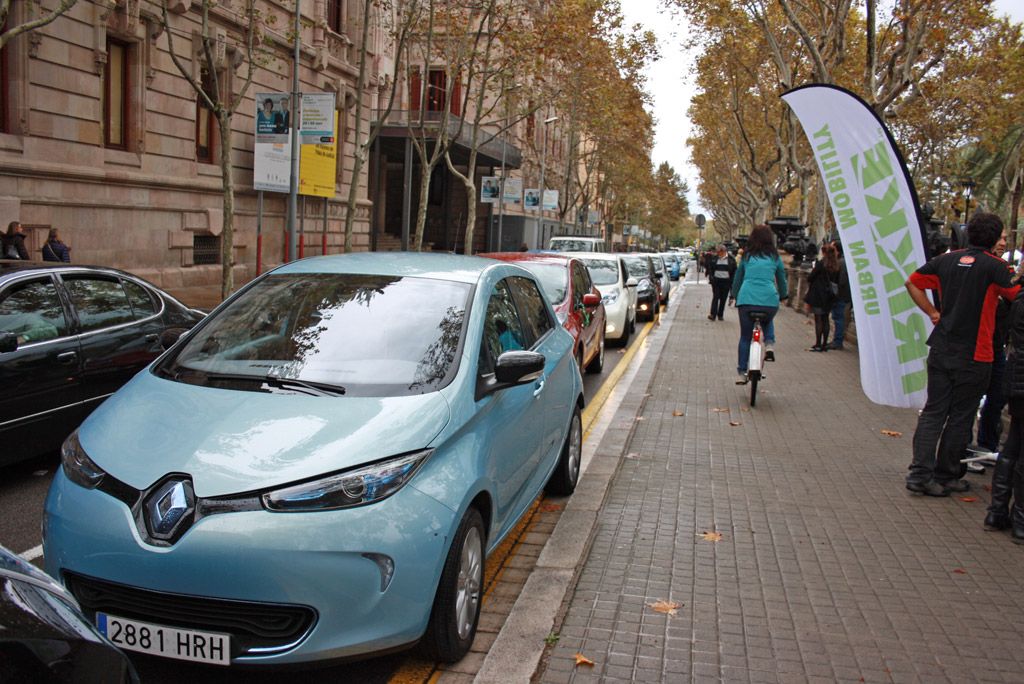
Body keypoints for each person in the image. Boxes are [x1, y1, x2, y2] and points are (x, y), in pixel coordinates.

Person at [904, 213, 1019, 497]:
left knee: (933, 412)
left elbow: (912, 282)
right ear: (993, 239)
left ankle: (919, 474)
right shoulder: (996, 267)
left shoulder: (946, 260)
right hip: (976, 353)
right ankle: (947, 474)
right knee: (961, 415)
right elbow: (1017, 295)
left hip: (942, 347)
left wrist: (933, 313)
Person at [730, 224, 788, 384]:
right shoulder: (775, 257)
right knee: (767, 319)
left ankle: (742, 371)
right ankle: (769, 343)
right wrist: (783, 295)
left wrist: (734, 294)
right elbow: (782, 278)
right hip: (769, 299)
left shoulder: (747, 256)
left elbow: (738, 277)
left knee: (745, 337)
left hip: (747, 299)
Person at [988, 288, 1024, 539]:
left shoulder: (1020, 298)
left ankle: (997, 511)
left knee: (1012, 444)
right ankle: (1020, 518)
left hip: (1017, 377)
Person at [804, 242, 840, 351]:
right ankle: (824, 344)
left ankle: (818, 343)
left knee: (818, 319)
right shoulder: (836, 265)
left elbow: (810, 277)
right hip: (830, 296)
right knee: (826, 319)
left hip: (818, 295)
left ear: (824, 253)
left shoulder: (821, 264)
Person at [829, 241, 852, 350]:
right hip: (842, 295)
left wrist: (836, 293)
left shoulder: (841, 263)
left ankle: (837, 341)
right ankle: (837, 340)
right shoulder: (843, 261)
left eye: (832, 249)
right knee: (839, 317)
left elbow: (842, 281)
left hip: (841, 296)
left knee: (839, 318)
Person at [707, 243, 736, 321]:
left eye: (719, 252)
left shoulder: (731, 259)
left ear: (723, 251)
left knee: (723, 299)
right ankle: (713, 314)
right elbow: (710, 268)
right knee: (716, 297)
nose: (717, 253)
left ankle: (720, 314)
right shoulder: (714, 258)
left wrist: (732, 281)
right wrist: (711, 278)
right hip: (716, 281)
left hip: (726, 281)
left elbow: (734, 271)